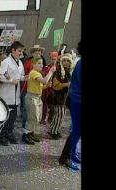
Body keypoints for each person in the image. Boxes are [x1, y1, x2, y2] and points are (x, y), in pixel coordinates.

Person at [0, 41, 27, 145]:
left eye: (22, 51)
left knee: (13, 117)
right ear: (13, 50)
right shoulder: (6, 62)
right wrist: (10, 81)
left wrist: (25, 78)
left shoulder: (20, 62)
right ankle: (1, 135)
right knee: (6, 116)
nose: (21, 53)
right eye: (19, 51)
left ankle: (9, 133)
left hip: (15, 95)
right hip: (6, 94)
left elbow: (20, 76)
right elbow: (0, 76)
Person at [59, 41, 82, 171]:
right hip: (77, 101)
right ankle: (65, 157)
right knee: (77, 130)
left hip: (76, 99)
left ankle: (72, 154)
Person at [25, 57, 56, 144]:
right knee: (32, 118)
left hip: (37, 97)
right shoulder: (34, 72)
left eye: (42, 63)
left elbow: (41, 87)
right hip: (32, 97)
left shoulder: (38, 73)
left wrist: (47, 86)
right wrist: (51, 72)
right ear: (33, 65)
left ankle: (31, 134)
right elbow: (44, 81)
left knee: (37, 117)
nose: (41, 65)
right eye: (38, 63)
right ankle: (26, 135)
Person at [20, 44, 45, 144]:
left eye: (39, 51)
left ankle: (31, 133)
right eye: (36, 51)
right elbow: (26, 74)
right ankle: (25, 134)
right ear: (32, 53)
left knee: (35, 116)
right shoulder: (28, 61)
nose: (38, 53)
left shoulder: (41, 62)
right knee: (28, 114)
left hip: (36, 90)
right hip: (28, 90)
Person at [48, 53, 73, 139]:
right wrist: (66, 84)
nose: (66, 62)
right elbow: (55, 85)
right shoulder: (58, 71)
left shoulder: (68, 71)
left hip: (64, 97)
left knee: (61, 115)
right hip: (57, 97)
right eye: (64, 60)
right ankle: (53, 131)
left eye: (68, 61)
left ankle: (56, 130)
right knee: (59, 115)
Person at [40, 51, 58, 125]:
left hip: (54, 90)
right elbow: (43, 76)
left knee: (52, 106)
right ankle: (42, 118)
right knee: (44, 104)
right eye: (52, 59)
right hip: (46, 89)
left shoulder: (59, 68)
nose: (53, 61)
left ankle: (50, 119)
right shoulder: (46, 68)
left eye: (54, 59)